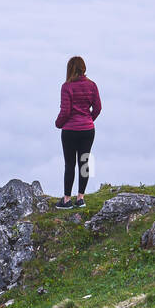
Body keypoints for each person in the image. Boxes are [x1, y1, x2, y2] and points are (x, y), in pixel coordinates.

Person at [54, 56, 101, 209]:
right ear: (83, 68)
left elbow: (65, 111)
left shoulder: (66, 87)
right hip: (88, 130)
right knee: (84, 162)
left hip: (70, 131)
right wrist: (88, 119)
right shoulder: (92, 85)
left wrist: (58, 123)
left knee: (70, 164)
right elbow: (98, 108)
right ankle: (80, 198)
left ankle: (66, 200)